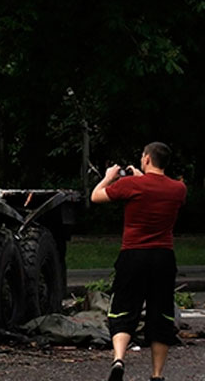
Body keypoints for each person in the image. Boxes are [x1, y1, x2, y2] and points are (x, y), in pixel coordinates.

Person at [91, 142, 186, 381]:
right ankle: (156, 375)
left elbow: (95, 197)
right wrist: (142, 177)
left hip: (133, 255)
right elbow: (155, 188)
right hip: (163, 256)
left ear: (145, 159)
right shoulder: (179, 189)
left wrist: (109, 177)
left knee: (124, 307)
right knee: (161, 313)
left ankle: (119, 359)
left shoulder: (129, 185)